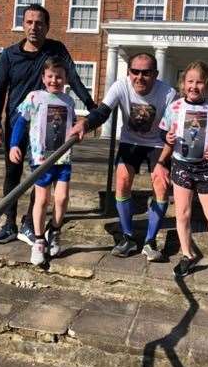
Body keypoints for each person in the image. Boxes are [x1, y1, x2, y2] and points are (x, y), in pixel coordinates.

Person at [0, 3, 96, 244]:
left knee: (40, 173)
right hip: (19, 122)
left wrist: (92, 107)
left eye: (39, 23)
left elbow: (73, 77)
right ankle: (9, 222)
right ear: (23, 24)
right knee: (13, 173)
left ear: (47, 27)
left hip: (48, 128)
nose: (34, 27)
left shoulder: (56, 50)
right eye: (29, 22)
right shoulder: (9, 55)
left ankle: (30, 222)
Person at [70, 52, 177, 262]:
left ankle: (150, 241)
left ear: (155, 74)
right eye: (135, 72)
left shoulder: (168, 93)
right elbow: (102, 112)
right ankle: (127, 237)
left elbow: (174, 127)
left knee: (162, 184)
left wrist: (165, 160)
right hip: (130, 142)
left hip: (157, 143)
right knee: (122, 180)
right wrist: (85, 123)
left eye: (146, 73)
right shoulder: (120, 86)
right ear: (129, 72)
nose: (140, 77)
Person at [154, 60, 208, 278]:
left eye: (199, 82)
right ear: (183, 84)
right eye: (190, 81)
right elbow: (163, 131)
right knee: (182, 214)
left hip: (205, 167)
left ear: (207, 85)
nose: (194, 86)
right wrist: (168, 137)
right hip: (181, 165)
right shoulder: (175, 107)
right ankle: (187, 254)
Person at [9, 59, 75, 265]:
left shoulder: (69, 101)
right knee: (42, 199)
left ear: (65, 79)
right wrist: (14, 145)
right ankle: (38, 241)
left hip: (63, 157)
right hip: (41, 158)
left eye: (59, 77)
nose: (55, 80)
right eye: (50, 76)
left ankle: (54, 231)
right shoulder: (35, 97)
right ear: (44, 78)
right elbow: (21, 121)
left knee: (62, 198)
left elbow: (71, 127)